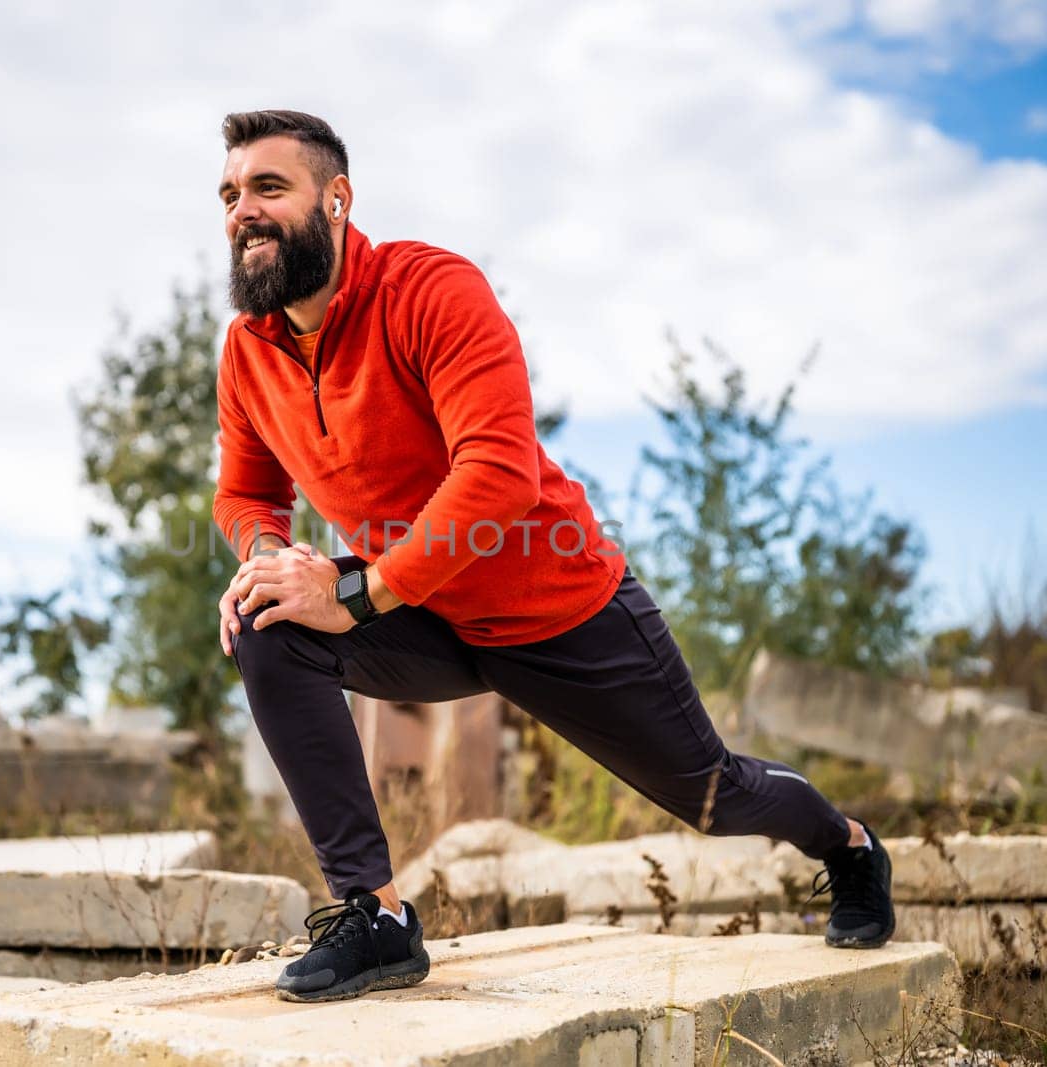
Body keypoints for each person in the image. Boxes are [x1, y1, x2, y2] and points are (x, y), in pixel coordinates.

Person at [210, 109, 894, 1005]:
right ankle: (374, 917)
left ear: (336, 200)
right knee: (269, 622)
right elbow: (247, 492)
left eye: (268, 187)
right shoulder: (248, 350)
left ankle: (848, 845)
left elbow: (497, 476)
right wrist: (266, 556)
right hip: (425, 616)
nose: (241, 211)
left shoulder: (432, 290)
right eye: (229, 194)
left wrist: (364, 594)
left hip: (562, 613)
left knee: (714, 795)